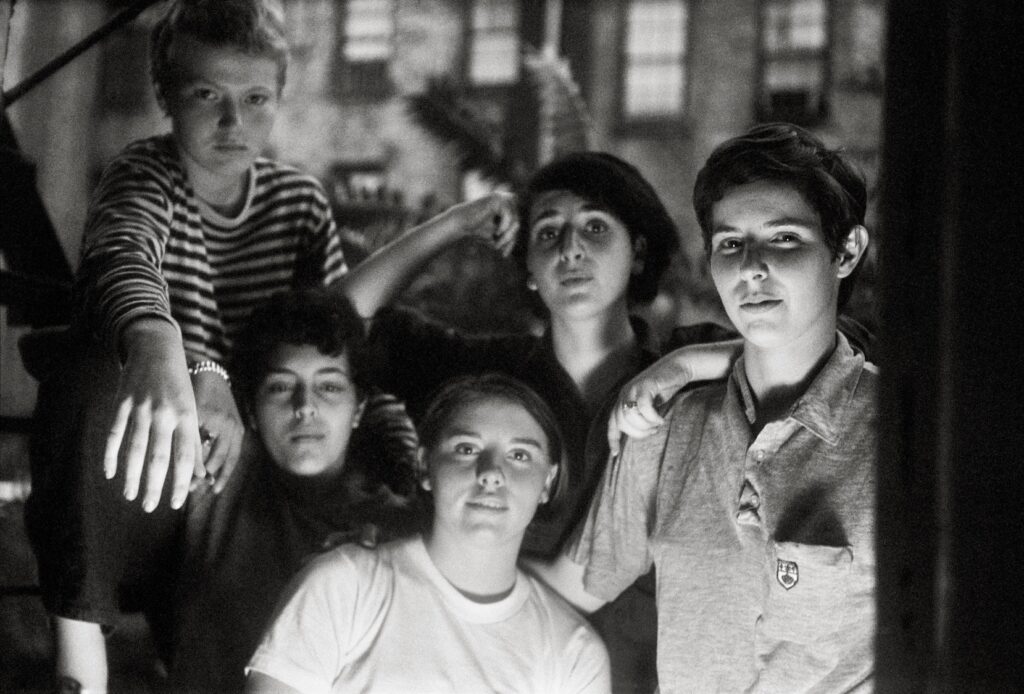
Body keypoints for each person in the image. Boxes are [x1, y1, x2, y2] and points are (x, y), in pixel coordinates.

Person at [340, 151, 740, 692]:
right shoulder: (487, 381)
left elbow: (829, 357)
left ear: (638, 252)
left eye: (595, 227)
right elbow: (340, 326)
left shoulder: (691, 372)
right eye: (548, 232)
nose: (570, 248)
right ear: (528, 267)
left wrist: (685, 366)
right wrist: (457, 223)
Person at [536, 123, 878, 693]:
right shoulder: (663, 430)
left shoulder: (900, 441)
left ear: (845, 251)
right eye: (730, 244)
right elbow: (561, 590)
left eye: (784, 238)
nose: (751, 268)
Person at [246, 374, 611, 694]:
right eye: (466, 449)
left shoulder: (573, 652)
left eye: (519, 455)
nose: (491, 473)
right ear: (424, 465)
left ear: (547, 482)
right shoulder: (344, 587)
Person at [162, 289, 420, 692]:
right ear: (250, 408)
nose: (305, 406)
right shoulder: (223, 474)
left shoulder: (393, 528)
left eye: (329, 387)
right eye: (281, 387)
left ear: (359, 408)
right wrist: (206, 373)